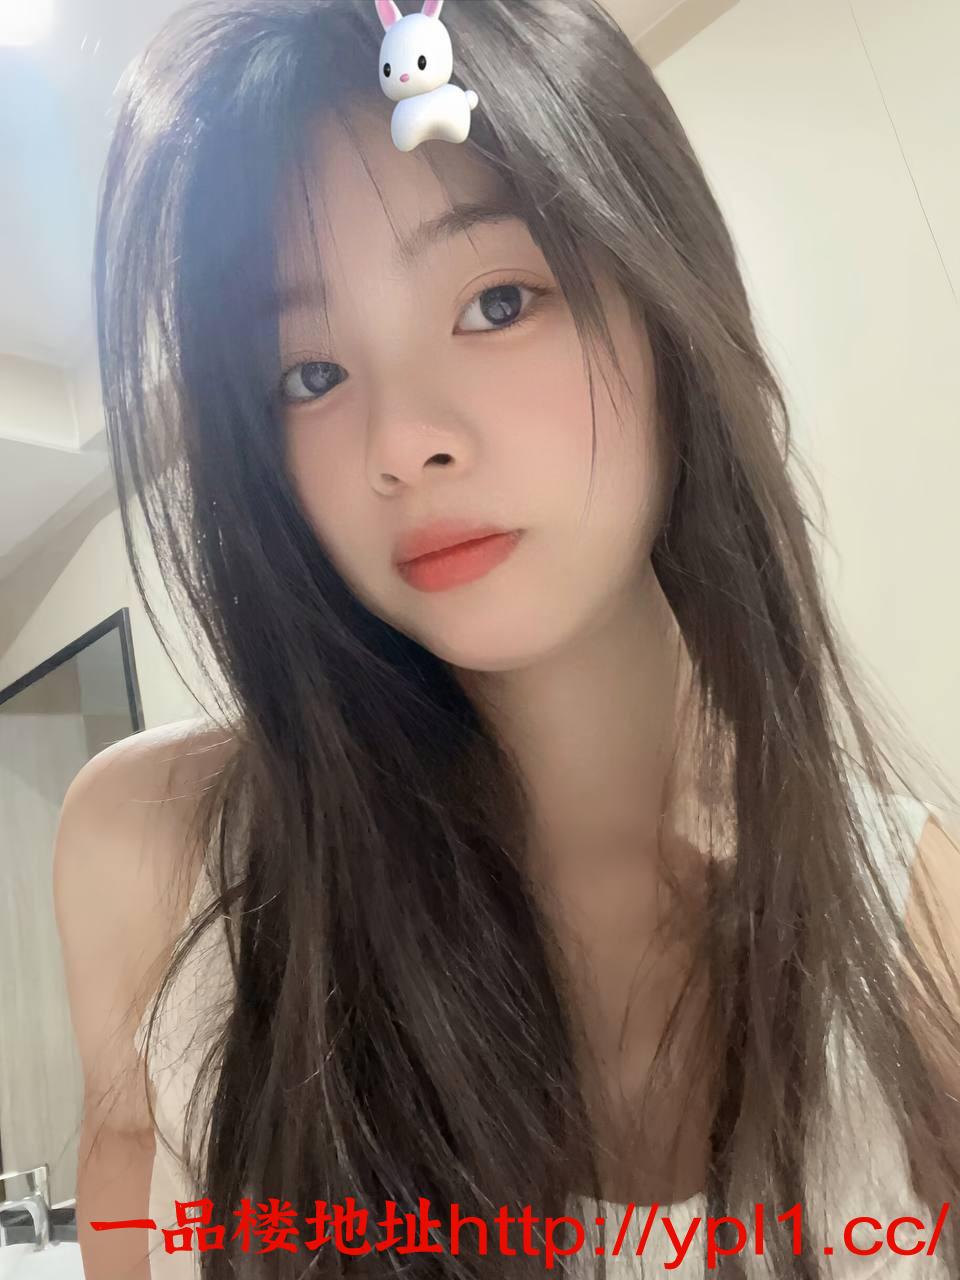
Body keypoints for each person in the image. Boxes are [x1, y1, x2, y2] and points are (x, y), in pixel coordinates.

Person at [51, 1, 960, 1277]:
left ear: (667, 304)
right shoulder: (155, 849)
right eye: (309, 374)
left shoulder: (914, 921)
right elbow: (126, 1185)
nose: (400, 440)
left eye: (496, 299)